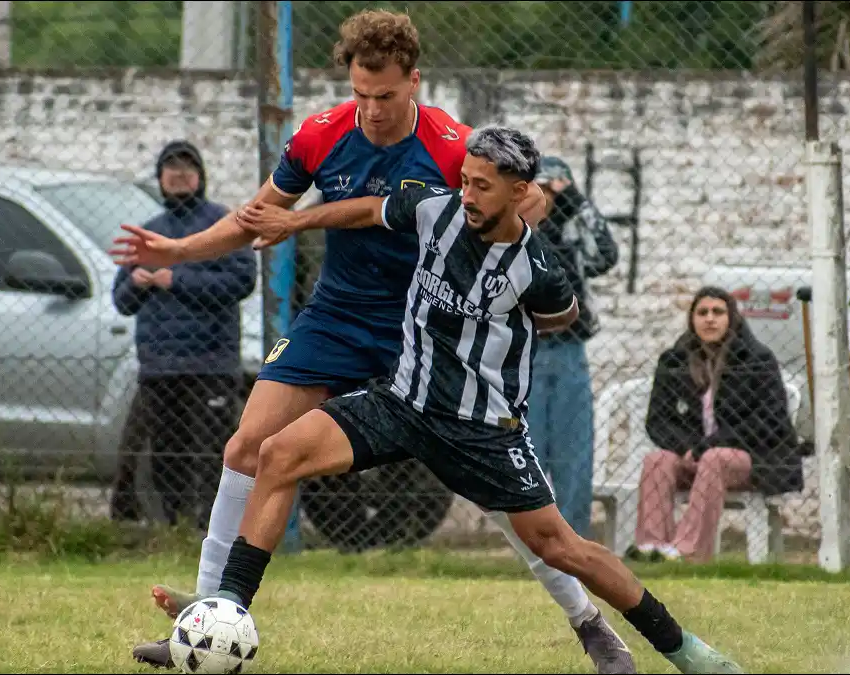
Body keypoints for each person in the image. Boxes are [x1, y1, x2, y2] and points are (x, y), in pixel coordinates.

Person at [114, 11, 634, 672]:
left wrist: (506, 226)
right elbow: (259, 218)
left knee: (501, 498)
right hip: (336, 316)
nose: (372, 110)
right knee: (246, 446)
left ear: (414, 80)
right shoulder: (321, 135)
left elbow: (521, 203)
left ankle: (590, 623)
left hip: (426, 326)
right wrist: (177, 250)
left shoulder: (453, 146)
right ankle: (207, 620)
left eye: (385, 95)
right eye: (360, 93)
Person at [201, 126, 742, 674]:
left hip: (480, 430)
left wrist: (491, 343)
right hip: (402, 403)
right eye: (465, 181)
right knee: (278, 454)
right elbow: (366, 209)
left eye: (482, 186)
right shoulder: (433, 208)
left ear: (519, 192)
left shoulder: (537, 269)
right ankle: (224, 614)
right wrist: (295, 221)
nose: (467, 195)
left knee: (561, 546)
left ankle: (686, 652)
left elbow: (563, 316)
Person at [112, 140, 257, 529]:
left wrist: (175, 279)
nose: (178, 176)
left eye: (186, 170)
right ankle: (173, 527)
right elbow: (122, 301)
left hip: (210, 365)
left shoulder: (224, 225)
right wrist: (138, 281)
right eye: (171, 170)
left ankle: (213, 528)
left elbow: (242, 281)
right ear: (160, 178)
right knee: (165, 454)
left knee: (212, 453)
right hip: (159, 368)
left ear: (200, 176)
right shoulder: (150, 231)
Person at [631, 287, 803, 563]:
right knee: (657, 460)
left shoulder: (757, 359)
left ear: (731, 318)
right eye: (702, 313)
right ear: (692, 320)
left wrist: (708, 446)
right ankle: (652, 547)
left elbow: (769, 421)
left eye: (718, 312)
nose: (709, 319)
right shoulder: (674, 360)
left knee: (715, 459)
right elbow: (658, 420)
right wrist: (686, 447)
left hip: (754, 458)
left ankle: (686, 552)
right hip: (695, 454)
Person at [529, 156, 619, 537]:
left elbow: (606, 255)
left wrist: (577, 202)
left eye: (553, 190)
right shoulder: (513, 230)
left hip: (569, 350)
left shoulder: (573, 230)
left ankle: (573, 540)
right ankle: (530, 538)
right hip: (524, 354)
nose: (545, 197)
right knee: (527, 450)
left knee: (574, 453)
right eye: (538, 189)